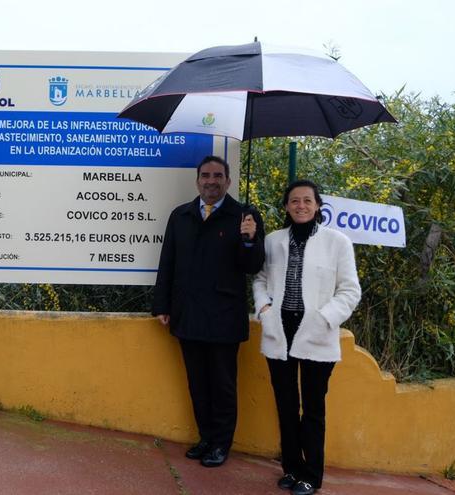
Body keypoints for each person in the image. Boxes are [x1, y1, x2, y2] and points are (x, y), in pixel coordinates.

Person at [153, 155, 265, 467]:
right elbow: (168, 262)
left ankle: (221, 444)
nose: (211, 181)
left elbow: (253, 266)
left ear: (228, 181)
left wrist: (249, 240)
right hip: (188, 314)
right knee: (197, 383)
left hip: (223, 317)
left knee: (223, 385)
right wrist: (162, 304)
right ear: (198, 180)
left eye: (218, 176)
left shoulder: (245, 216)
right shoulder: (181, 215)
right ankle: (205, 438)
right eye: (206, 175)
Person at [253, 180, 361, 495]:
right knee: (285, 405)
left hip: (316, 332)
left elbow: (350, 290)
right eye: (294, 201)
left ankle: (311, 476)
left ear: (317, 206)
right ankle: (291, 468)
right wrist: (264, 308)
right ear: (286, 206)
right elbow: (259, 279)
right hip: (279, 330)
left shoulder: (337, 242)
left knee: (313, 409)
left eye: (307, 200)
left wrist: (325, 317)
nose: (301, 205)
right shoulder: (272, 241)